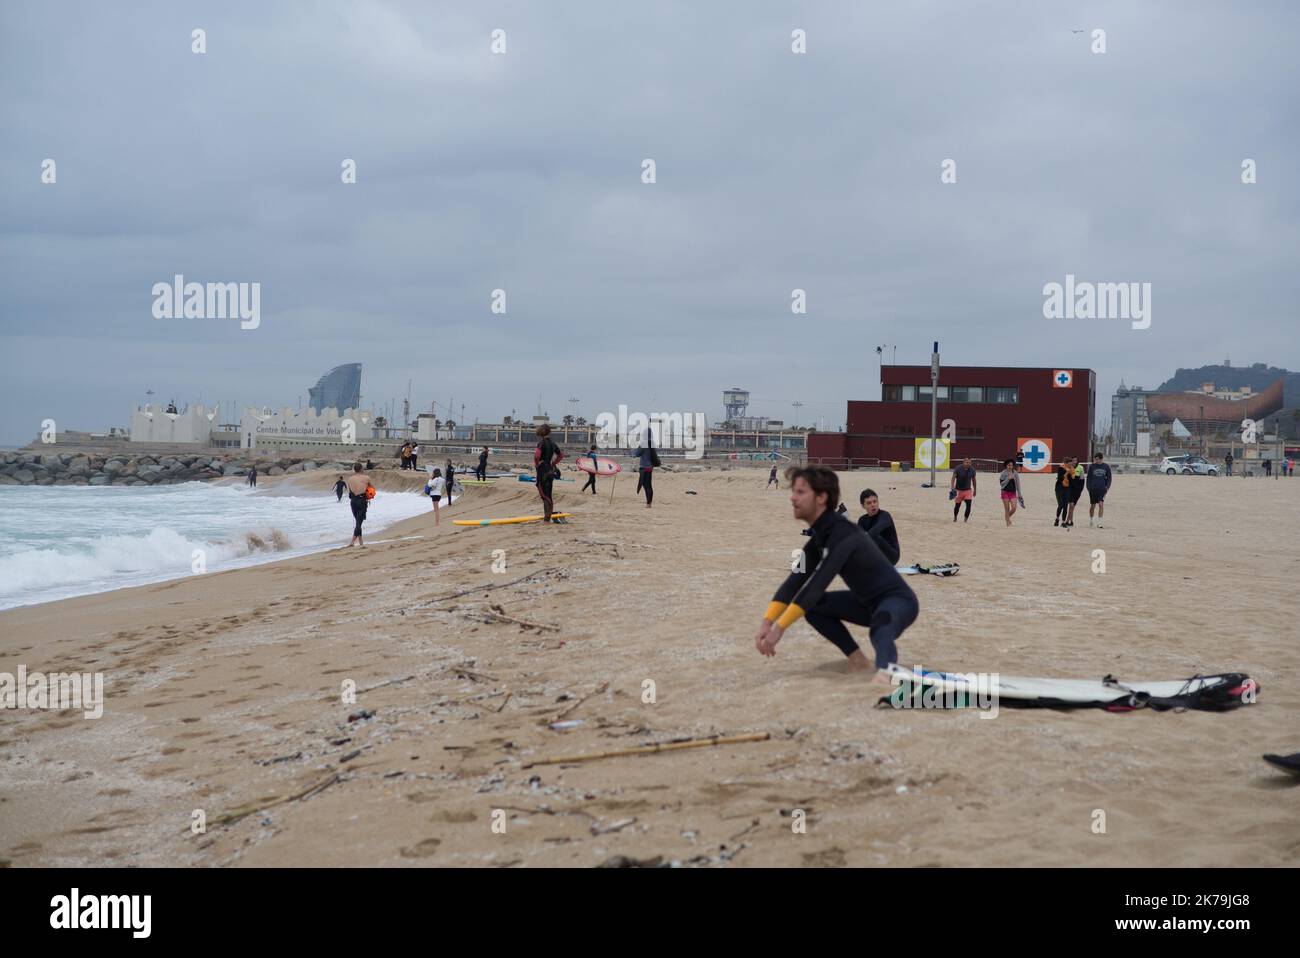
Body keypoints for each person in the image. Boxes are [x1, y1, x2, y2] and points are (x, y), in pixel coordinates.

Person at [755, 466, 918, 686]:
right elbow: (796, 579)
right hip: (866, 603)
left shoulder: (844, 534)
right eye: (794, 491)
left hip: (899, 602)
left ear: (821, 497)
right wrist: (767, 622)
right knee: (814, 608)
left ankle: (885, 672)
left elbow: (816, 585)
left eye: (800, 492)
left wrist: (779, 629)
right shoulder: (819, 538)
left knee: (880, 627)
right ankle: (859, 661)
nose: (793, 498)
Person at [857, 489, 900, 565]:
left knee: (874, 537)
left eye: (875, 501)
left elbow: (877, 529)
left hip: (891, 556)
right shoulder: (862, 520)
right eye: (869, 503)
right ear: (863, 506)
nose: (873, 505)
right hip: (875, 556)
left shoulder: (885, 515)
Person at [533, 424, 564, 522]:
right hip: (550, 470)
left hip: (542, 470)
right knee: (548, 494)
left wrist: (537, 464)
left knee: (544, 495)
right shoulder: (553, 443)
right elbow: (560, 455)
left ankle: (546, 519)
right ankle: (548, 517)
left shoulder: (541, 443)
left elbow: (537, 456)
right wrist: (553, 463)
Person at [345, 462, 371, 547]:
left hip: (353, 502)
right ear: (361, 469)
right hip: (362, 501)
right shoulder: (366, 478)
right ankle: (352, 542)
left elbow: (349, 493)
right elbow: (371, 488)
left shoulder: (350, 479)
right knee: (359, 522)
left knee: (358, 521)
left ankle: (360, 541)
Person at [1086, 452, 1112, 528]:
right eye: (1095, 459)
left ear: (1101, 459)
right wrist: (1088, 487)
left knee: (1101, 504)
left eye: (1097, 459)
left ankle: (1099, 523)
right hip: (1093, 489)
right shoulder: (1092, 466)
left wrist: (1107, 487)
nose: (1095, 460)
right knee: (1093, 505)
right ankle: (1091, 520)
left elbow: (1109, 478)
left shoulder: (1106, 466)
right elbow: (1089, 477)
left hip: (1102, 489)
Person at [632, 431, 657, 507]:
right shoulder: (652, 443)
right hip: (650, 467)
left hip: (644, 467)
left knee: (645, 485)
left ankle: (648, 503)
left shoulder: (643, 444)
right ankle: (649, 502)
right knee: (649, 485)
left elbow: (636, 454)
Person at [950, 457, 976, 522]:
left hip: (968, 490)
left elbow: (974, 480)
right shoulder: (958, 468)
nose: (968, 464)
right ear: (963, 462)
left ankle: (965, 520)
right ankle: (955, 517)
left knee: (969, 505)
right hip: (958, 490)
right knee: (957, 506)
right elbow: (953, 478)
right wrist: (952, 487)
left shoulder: (972, 470)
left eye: (970, 462)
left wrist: (975, 490)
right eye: (967, 462)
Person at [998, 458, 1021, 526]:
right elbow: (1001, 484)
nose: (1010, 467)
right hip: (1005, 492)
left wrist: (1019, 493)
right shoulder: (1003, 473)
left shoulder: (1015, 473)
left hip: (1013, 492)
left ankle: (1007, 518)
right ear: (1006, 465)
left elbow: (1018, 483)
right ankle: (1008, 522)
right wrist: (1008, 478)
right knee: (1007, 508)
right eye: (1009, 465)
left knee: (1014, 508)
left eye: (1011, 465)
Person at [1066, 458, 1086, 527]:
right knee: (1071, 505)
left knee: (1072, 506)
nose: (1074, 462)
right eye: (1073, 460)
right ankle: (1068, 521)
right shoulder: (1069, 468)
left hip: (1077, 490)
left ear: (1077, 461)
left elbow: (1082, 480)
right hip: (1070, 490)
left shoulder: (1080, 468)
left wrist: (1080, 490)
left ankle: (1070, 521)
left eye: (1075, 460)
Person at [1053, 458, 1072, 527]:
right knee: (1061, 504)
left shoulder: (1071, 470)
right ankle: (1057, 519)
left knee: (1065, 506)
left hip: (1067, 489)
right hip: (1059, 488)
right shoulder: (1061, 468)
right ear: (1066, 463)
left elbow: (1072, 480)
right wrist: (1067, 472)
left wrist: (1071, 474)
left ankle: (1063, 522)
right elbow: (1060, 478)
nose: (1070, 465)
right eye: (1069, 463)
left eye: (1071, 464)